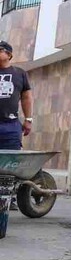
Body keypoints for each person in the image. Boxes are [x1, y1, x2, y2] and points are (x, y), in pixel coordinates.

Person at [0, 41, 32, 210]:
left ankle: (9, 198)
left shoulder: (19, 74)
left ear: (9, 54)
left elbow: (26, 98)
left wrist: (29, 119)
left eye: (0, 50)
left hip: (11, 125)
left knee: (11, 162)